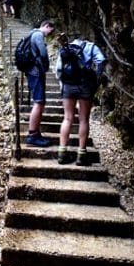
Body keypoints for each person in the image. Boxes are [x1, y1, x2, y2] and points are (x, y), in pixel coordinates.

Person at [55, 33, 106, 166]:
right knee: (83, 119)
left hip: (68, 86)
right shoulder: (90, 46)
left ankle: (62, 153)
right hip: (85, 85)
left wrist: (63, 84)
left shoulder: (67, 47)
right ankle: (81, 155)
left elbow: (59, 69)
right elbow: (101, 60)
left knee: (67, 118)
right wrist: (96, 76)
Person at [25, 20, 55, 147]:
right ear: (46, 26)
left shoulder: (32, 34)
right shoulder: (38, 35)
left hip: (32, 72)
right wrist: (46, 66)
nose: (50, 34)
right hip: (36, 72)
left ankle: (35, 133)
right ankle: (32, 135)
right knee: (39, 102)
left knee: (39, 102)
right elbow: (43, 52)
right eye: (51, 31)